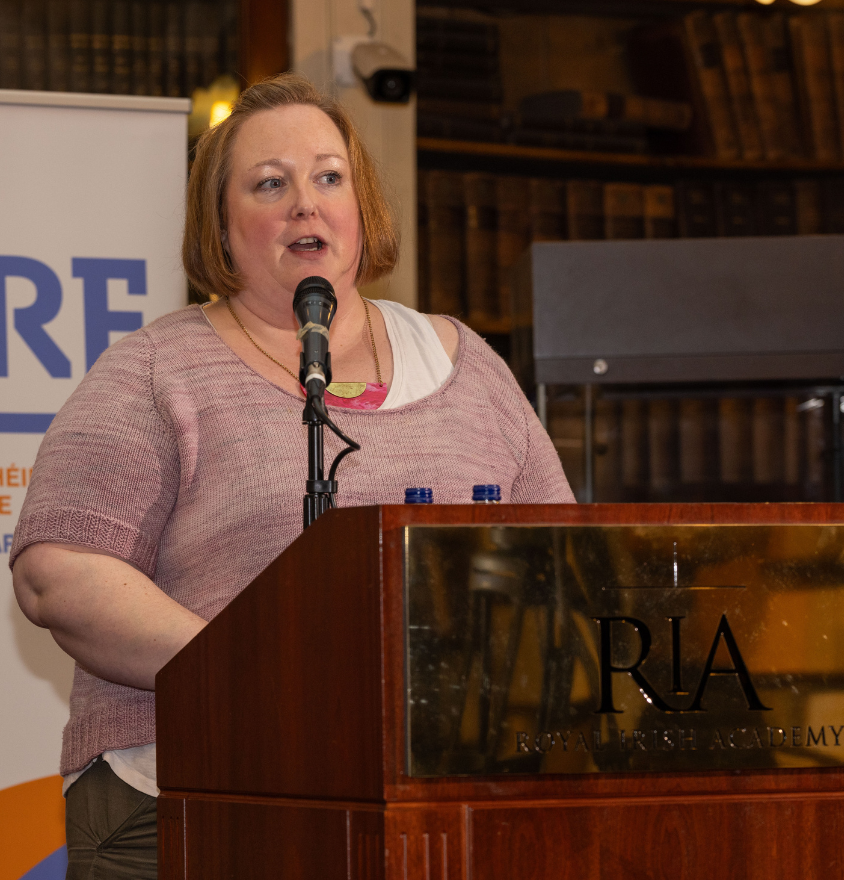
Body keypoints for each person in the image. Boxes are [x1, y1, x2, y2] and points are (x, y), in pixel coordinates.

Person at [8, 73, 572, 877]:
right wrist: (263, 671)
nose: (306, 203)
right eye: (271, 183)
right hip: (187, 798)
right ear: (223, 225)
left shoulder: (463, 362)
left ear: (360, 208)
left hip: (438, 803)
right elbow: (57, 575)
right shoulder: (156, 370)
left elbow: (565, 566)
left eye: (328, 177)